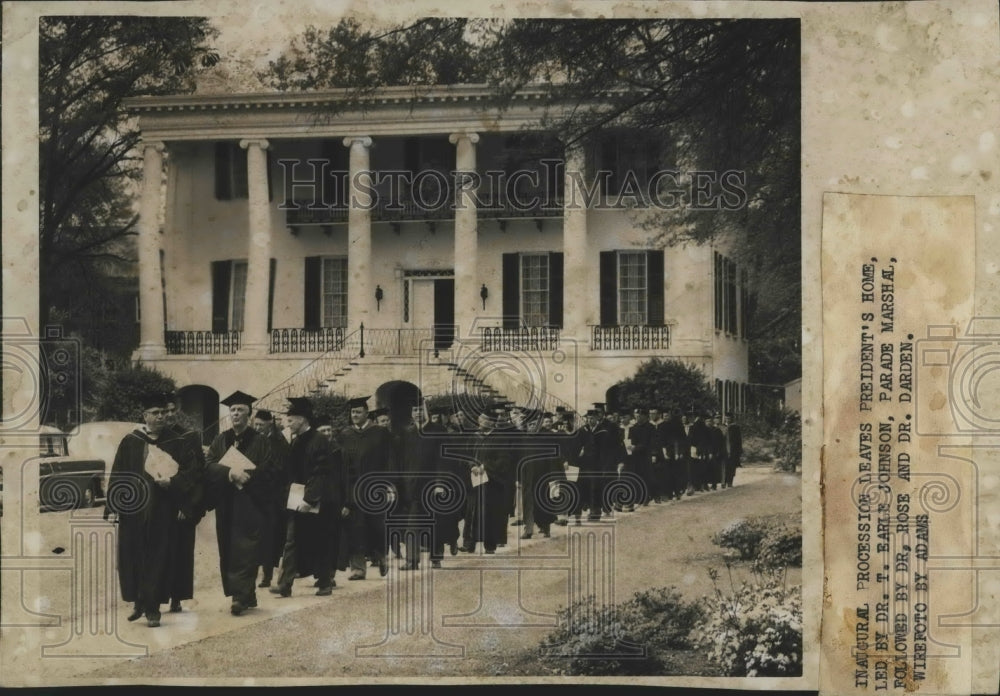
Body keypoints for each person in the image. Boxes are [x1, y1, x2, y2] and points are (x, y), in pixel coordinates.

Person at [105, 391, 201, 627]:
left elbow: (192, 474)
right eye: (155, 413)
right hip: (135, 510)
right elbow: (119, 473)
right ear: (145, 415)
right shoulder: (131, 441)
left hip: (163, 509)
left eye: (162, 413)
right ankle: (140, 601)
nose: (160, 417)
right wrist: (114, 506)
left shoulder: (177, 442)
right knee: (135, 556)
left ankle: (153, 608)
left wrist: (175, 486)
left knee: (158, 557)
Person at [204, 391, 279, 615]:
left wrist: (247, 478)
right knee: (228, 546)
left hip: (250, 502)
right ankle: (246, 594)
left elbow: (268, 471)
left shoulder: (260, 441)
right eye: (233, 410)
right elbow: (208, 465)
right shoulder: (221, 439)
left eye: (241, 411)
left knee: (246, 549)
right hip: (226, 502)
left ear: (249, 414)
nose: (236, 414)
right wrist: (230, 473)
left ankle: (240, 596)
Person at [271, 397, 349, 597]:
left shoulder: (319, 441)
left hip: (317, 500)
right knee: (291, 541)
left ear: (302, 420)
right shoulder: (296, 440)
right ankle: (284, 584)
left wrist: (310, 499)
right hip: (297, 497)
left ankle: (324, 583)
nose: (288, 424)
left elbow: (321, 472)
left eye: (291, 420)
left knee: (320, 541)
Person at [339, 396, 393, 579]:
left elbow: (389, 461)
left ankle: (382, 557)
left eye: (358, 412)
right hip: (353, 489)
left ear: (367, 413)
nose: (354, 415)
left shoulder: (380, 433)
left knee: (376, 526)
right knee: (355, 529)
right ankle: (358, 568)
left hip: (374, 488)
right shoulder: (345, 434)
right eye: (352, 412)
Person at [163, 392, 206, 613]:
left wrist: (187, 506)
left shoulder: (189, 437)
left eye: (173, 410)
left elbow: (197, 474)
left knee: (180, 552)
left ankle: (177, 598)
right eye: (165, 411)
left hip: (181, 505)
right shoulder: (154, 438)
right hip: (159, 505)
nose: (169, 415)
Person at [252, 409, 291, 588]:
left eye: (261, 424)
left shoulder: (278, 441)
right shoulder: (254, 439)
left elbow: (281, 467)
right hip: (257, 494)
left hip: (273, 497)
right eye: (256, 424)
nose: (258, 427)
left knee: (270, 537)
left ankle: (267, 575)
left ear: (269, 423)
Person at [724, 412, 743, 488]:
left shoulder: (735, 427)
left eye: (729, 418)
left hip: (733, 449)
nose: (727, 419)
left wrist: (739, 450)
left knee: (732, 466)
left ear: (731, 419)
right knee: (725, 466)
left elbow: (739, 439)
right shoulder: (722, 427)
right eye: (726, 418)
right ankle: (724, 481)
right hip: (724, 449)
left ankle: (730, 481)